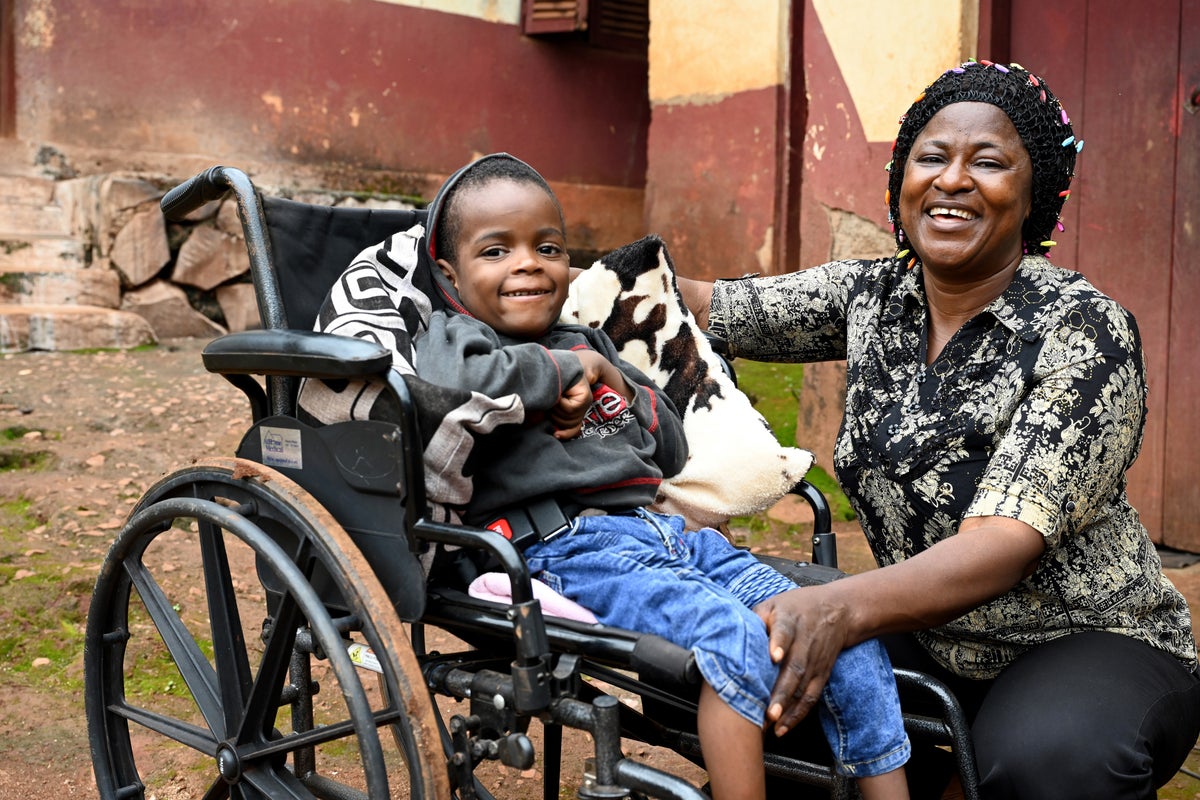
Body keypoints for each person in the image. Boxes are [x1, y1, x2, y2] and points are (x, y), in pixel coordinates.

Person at [673, 60, 1200, 799]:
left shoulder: (1082, 329)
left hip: (1083, 640)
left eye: (988, 162)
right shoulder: (873, 294)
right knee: (768, 695)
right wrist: (546, 281)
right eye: (932, 157)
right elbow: (706, 306)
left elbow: (1001, 545)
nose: (952, 180)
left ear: (1033, 195)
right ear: (902, 181)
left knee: (1045, 759)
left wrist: (839, 606)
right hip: (929, 633)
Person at [413, 152, 912, 800]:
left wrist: (614, 380)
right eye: (496, 251)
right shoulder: (457, 340)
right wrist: (564, 375)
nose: (528, 263)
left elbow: (670, 445)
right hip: (556, 552)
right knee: (731, 641)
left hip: (663, 536)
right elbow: (457, 386)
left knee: (834, 628)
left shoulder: (589, 342)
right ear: (451, 274)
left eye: (547, 246)